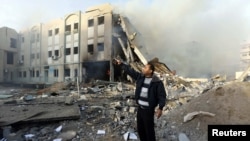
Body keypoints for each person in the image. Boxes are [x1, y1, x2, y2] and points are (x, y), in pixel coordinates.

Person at [113, 59, 167, 141]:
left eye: (145, 68)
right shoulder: (140, 77)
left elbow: (162, 96)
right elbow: (130, 71)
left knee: (149, 131)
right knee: (140, 130)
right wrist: (121, 64)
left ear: (150, 71)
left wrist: (160, 108)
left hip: (148, 110)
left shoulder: (157, 82)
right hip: (140, 109)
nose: (143, 69)